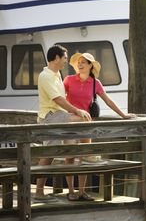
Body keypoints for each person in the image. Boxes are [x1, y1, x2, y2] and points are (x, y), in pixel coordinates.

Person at [63, 52, 136, 201]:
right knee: (69, 157)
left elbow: (108, 101)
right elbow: (58, 98)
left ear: (90, 65)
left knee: (84, 158)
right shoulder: (69, 80)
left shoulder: (95, 83)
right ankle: (70, 191)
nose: (80, 64)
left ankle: (82, 191)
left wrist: (123, 115)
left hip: (87, 124)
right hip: (70, 123)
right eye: (79, 62)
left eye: (84, 62)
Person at [35, 45, 91, 201]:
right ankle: (88, 153)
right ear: (57, 58)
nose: (66, 61)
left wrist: (72, 110)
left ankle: (84, 153)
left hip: (59, 115)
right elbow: (57, 99)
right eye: (65, 58)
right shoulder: (45, 76)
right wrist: (77, 110)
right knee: (48, 154)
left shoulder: (57, 73)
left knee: (51, 154)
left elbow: (62, 99)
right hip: (50, 117)